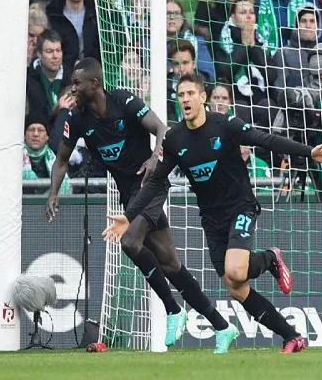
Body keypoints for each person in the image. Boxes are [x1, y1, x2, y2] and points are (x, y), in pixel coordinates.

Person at [102, 73, 322, 353]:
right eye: (181, 95)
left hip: (240, 207)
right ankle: (292, 336)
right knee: (235, 287)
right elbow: (154, 182)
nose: (185, 99)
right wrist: (129, 216)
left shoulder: (226, 126)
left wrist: (309, 152)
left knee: (235, 270)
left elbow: (266, 140)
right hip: (211, 219)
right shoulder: (175, 138)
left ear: (203, 97)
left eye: (191, 93)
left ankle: (270, 257)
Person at [46, 58, 239, 354]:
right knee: (170, 264)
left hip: (151, 185)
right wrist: (53, 193)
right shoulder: (77, 118)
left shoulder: (124, 101)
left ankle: (173, 309)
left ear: (94, 84)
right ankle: (223, 327)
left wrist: (154, 158)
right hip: (128, 193)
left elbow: (162, 129)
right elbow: (61, 160)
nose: (73, 87)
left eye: (77, 82)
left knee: (129, 242)